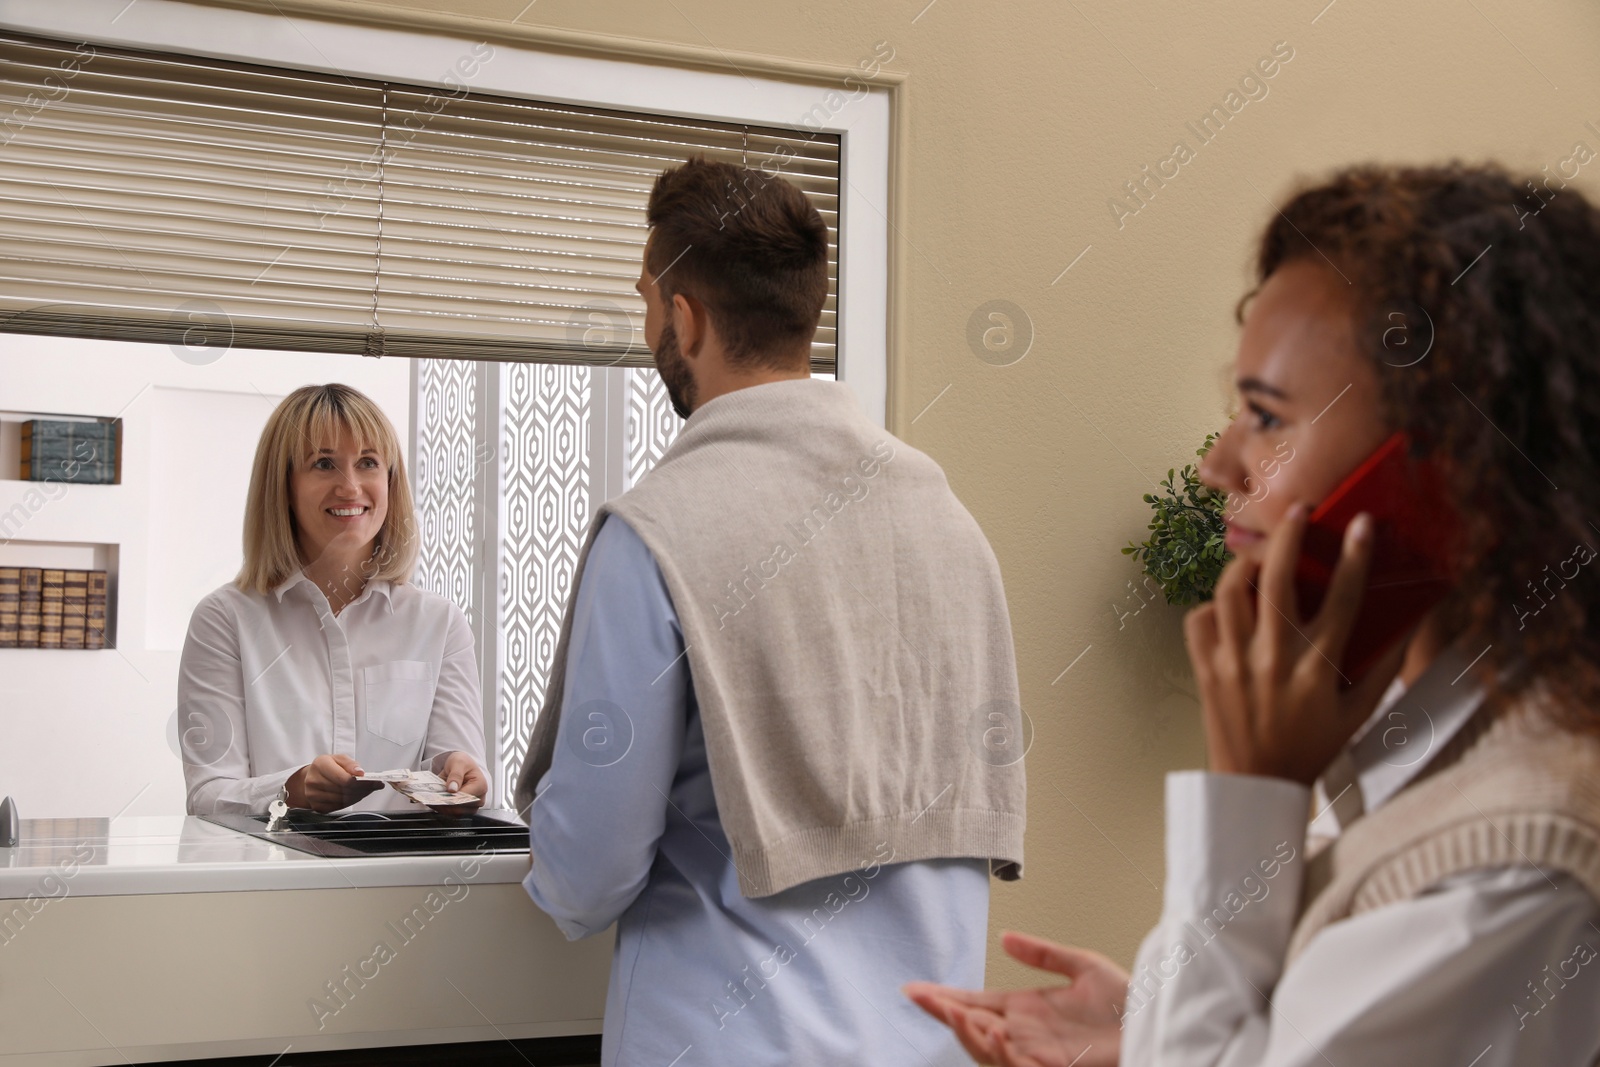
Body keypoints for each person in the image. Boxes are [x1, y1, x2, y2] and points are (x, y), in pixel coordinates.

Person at [906, 162, 1600, 1066]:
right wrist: (1158, 1026)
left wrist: (1245, 802)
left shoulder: (1515, 873)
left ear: (1444, 470)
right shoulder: (1412, 746)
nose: (1220, 464)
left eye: (1268, 417)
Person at [512, 156, 1027, 1066]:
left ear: (686, 316)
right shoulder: (950, 523)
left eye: (646, 299)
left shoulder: (658, 534)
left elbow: (587, 874)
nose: (646, 326)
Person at [178, 383, 488, 815]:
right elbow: (208, 794)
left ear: (391, 482)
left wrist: (462, 778)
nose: (350, 486)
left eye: (368, 463)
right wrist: (292, 789)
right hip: (274, 876)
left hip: (406, 879)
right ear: (282, 485)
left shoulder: (440, 623)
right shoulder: (224, 619)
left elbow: (458, 765)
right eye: (323, 464)